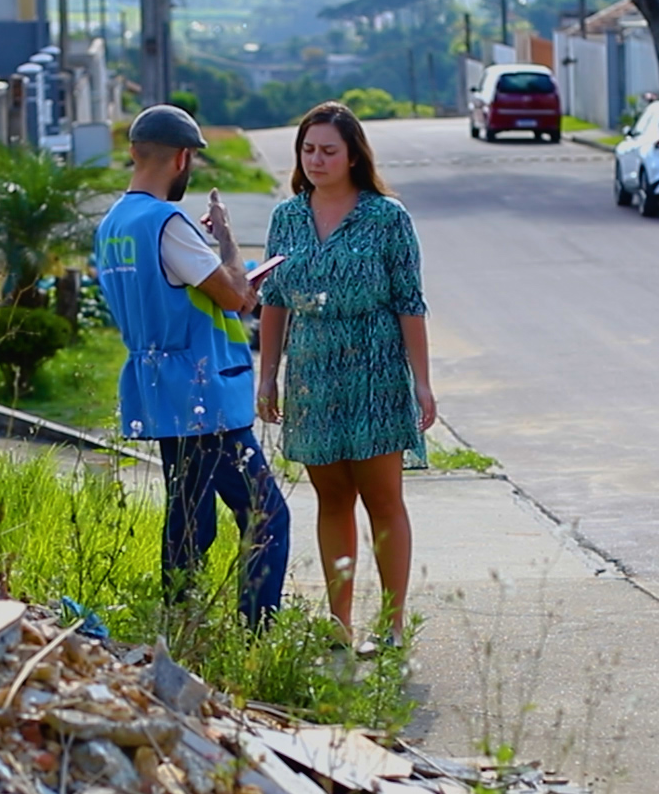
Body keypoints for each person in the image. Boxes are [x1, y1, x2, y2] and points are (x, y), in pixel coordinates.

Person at [93, 104, 291, 627]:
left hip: (157, 388)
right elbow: (236, 297)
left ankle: (181, 624)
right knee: (266, 514)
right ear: (183, 158)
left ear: (134, 152)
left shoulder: (113, 224)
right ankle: (256, 635)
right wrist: (225, 238)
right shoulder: (169, 221)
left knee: (189, 517)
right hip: (204, 394)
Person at [257, 101, 434, 650]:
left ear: (354, 155)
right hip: (312, 370)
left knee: (383, 499)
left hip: (375, 368)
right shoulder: (287, 217)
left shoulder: (387, 217)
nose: (316, 159)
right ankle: (339, 624)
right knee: (331, 498)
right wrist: (269, 376)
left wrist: (422, 382)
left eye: (329, 150)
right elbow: (274, 301)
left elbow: (410, 302)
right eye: (308, 150)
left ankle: (395, 624)